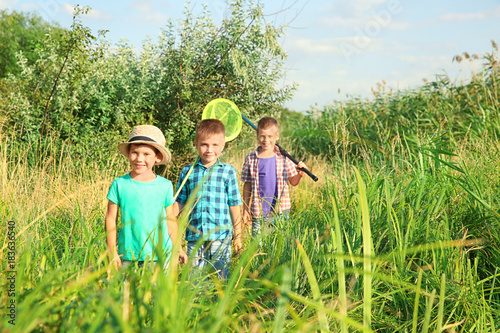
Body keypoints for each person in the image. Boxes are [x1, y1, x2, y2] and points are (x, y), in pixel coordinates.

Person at [105, 125, 187, 271]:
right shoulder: (120, 184)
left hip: (161, 256)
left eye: (146, 154)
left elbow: (170, 219)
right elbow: (111, 219)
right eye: (135, 153)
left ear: (157, 157)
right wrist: (112, 252)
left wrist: (178, 247)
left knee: (158, 293)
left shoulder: (165, 185)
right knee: (126, 293)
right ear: (128, 154)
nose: (139, 159)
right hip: (128, 256)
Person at [174, 119, 243, 280]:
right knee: (194, 280)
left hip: (222, 237)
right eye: (204, 144)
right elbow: (178, 205)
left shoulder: (227, 172)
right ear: (196, 144)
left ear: (223, 145)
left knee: (221, 279)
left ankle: (223, 305)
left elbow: (234, 204)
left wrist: (238, 236)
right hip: (195, 238)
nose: (209, 150)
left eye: (215, 145)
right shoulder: (187, 172)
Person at [241, 116, 307, 239]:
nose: (266, 140)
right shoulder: (250, 159)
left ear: (277, 136)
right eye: (262, 136)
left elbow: (293, 182)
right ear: (257, 134)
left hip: (281, 211)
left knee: (280, 245)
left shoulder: (284, 157)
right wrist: (245, 209)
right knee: (258, 247)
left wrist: (300, 174)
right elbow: (247, 185)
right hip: (258, 212)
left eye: (270, 137)